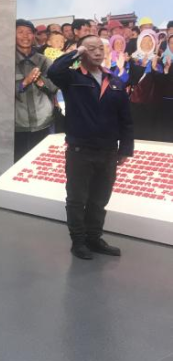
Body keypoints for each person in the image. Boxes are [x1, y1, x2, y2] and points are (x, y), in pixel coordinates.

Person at [48, 36, 133, 260]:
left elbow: (126, 119)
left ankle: (94, 238)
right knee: (77, 199)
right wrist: (77, 52)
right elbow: (54, 71)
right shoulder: (71, 78)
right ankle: (78, 241)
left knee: (99, 200)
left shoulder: (115, 81)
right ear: (82, 51)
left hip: (108, 152)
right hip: (80, 151)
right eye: (91, 48)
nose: (97, 52)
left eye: (100, 48)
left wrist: (125, 148)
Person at [15, 20, 58, 162]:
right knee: (19, 163)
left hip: (43, 122)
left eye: (29, 32)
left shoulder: (44, 61)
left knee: (41, 161)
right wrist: (24, 82)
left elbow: (54, 86)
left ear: (34, 36)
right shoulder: (7, 61)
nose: (25, 36)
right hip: (17, 124)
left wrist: (41, 82)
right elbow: (0, 91)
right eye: (20, 32)